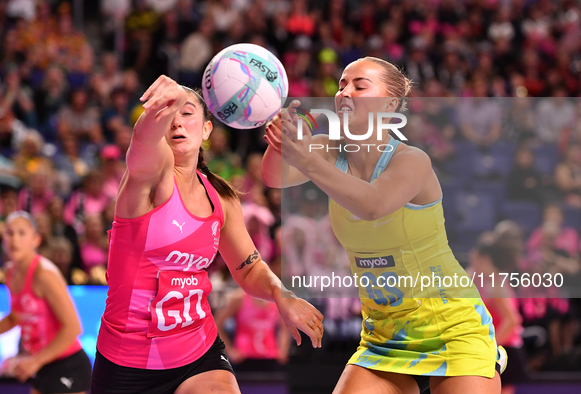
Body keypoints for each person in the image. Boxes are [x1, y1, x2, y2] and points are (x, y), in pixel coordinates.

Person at [262, 57, 505, 394]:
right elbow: (273, 176)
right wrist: (284, 136)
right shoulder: (328, 152)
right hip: (384, 338)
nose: (345, 92)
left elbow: (373, 205)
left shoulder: (412, 161)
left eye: (360, 86)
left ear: (390, 103)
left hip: (453, 329)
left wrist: (303, 156)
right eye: (342, 85)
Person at [91, 76, 323, 394]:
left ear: (206, 130)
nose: (177, 122)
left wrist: (281, 295)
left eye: (187, 113)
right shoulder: (146, 181)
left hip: (198, 352)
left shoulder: (221, 199)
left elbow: (249, 267)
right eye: (168, 114)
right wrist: (163, 103)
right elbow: (143, 143)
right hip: (128, 362)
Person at [0, 211, 91, 393]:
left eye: (21, 233)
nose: (14, 239)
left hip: (68, 364)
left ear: (36, 240)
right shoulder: (10, 273)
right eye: (9, 233)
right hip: (43, 364)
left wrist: (35, 362)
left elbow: (74, 327)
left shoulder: (44, 274)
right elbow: (15, 317)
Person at [469, 232, 528, 394]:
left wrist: (492, 346)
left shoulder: (496, 285)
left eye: (475, 259)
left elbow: (513, 320)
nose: (472, 263)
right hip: (499, 349)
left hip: (506, 349)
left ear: (485, 259)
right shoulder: (484, 281)